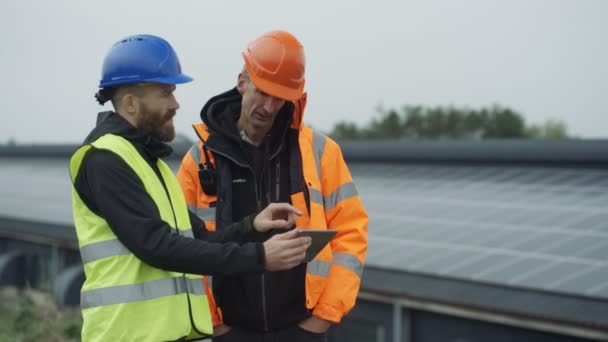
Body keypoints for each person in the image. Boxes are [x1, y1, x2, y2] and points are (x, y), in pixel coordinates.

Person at [69, 34, 311, 342]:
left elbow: (203, 239)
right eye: (165, 93)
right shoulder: (105, 160)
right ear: (130, 102)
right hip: (128, 334)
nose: (175, 104)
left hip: (166, 334)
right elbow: (157, 245)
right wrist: (261, 257)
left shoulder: (150, 163)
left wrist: (253, 225)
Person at [177, 30, 369, 341]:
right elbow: (182, 246)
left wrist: (321, 320)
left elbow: (351, 233)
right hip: (229, 331)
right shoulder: (199, 160)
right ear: (242, 82)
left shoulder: (320, 153)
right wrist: (216, 326)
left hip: (302, 329)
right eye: (263, 92)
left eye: (280, 98)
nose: (269, 106)